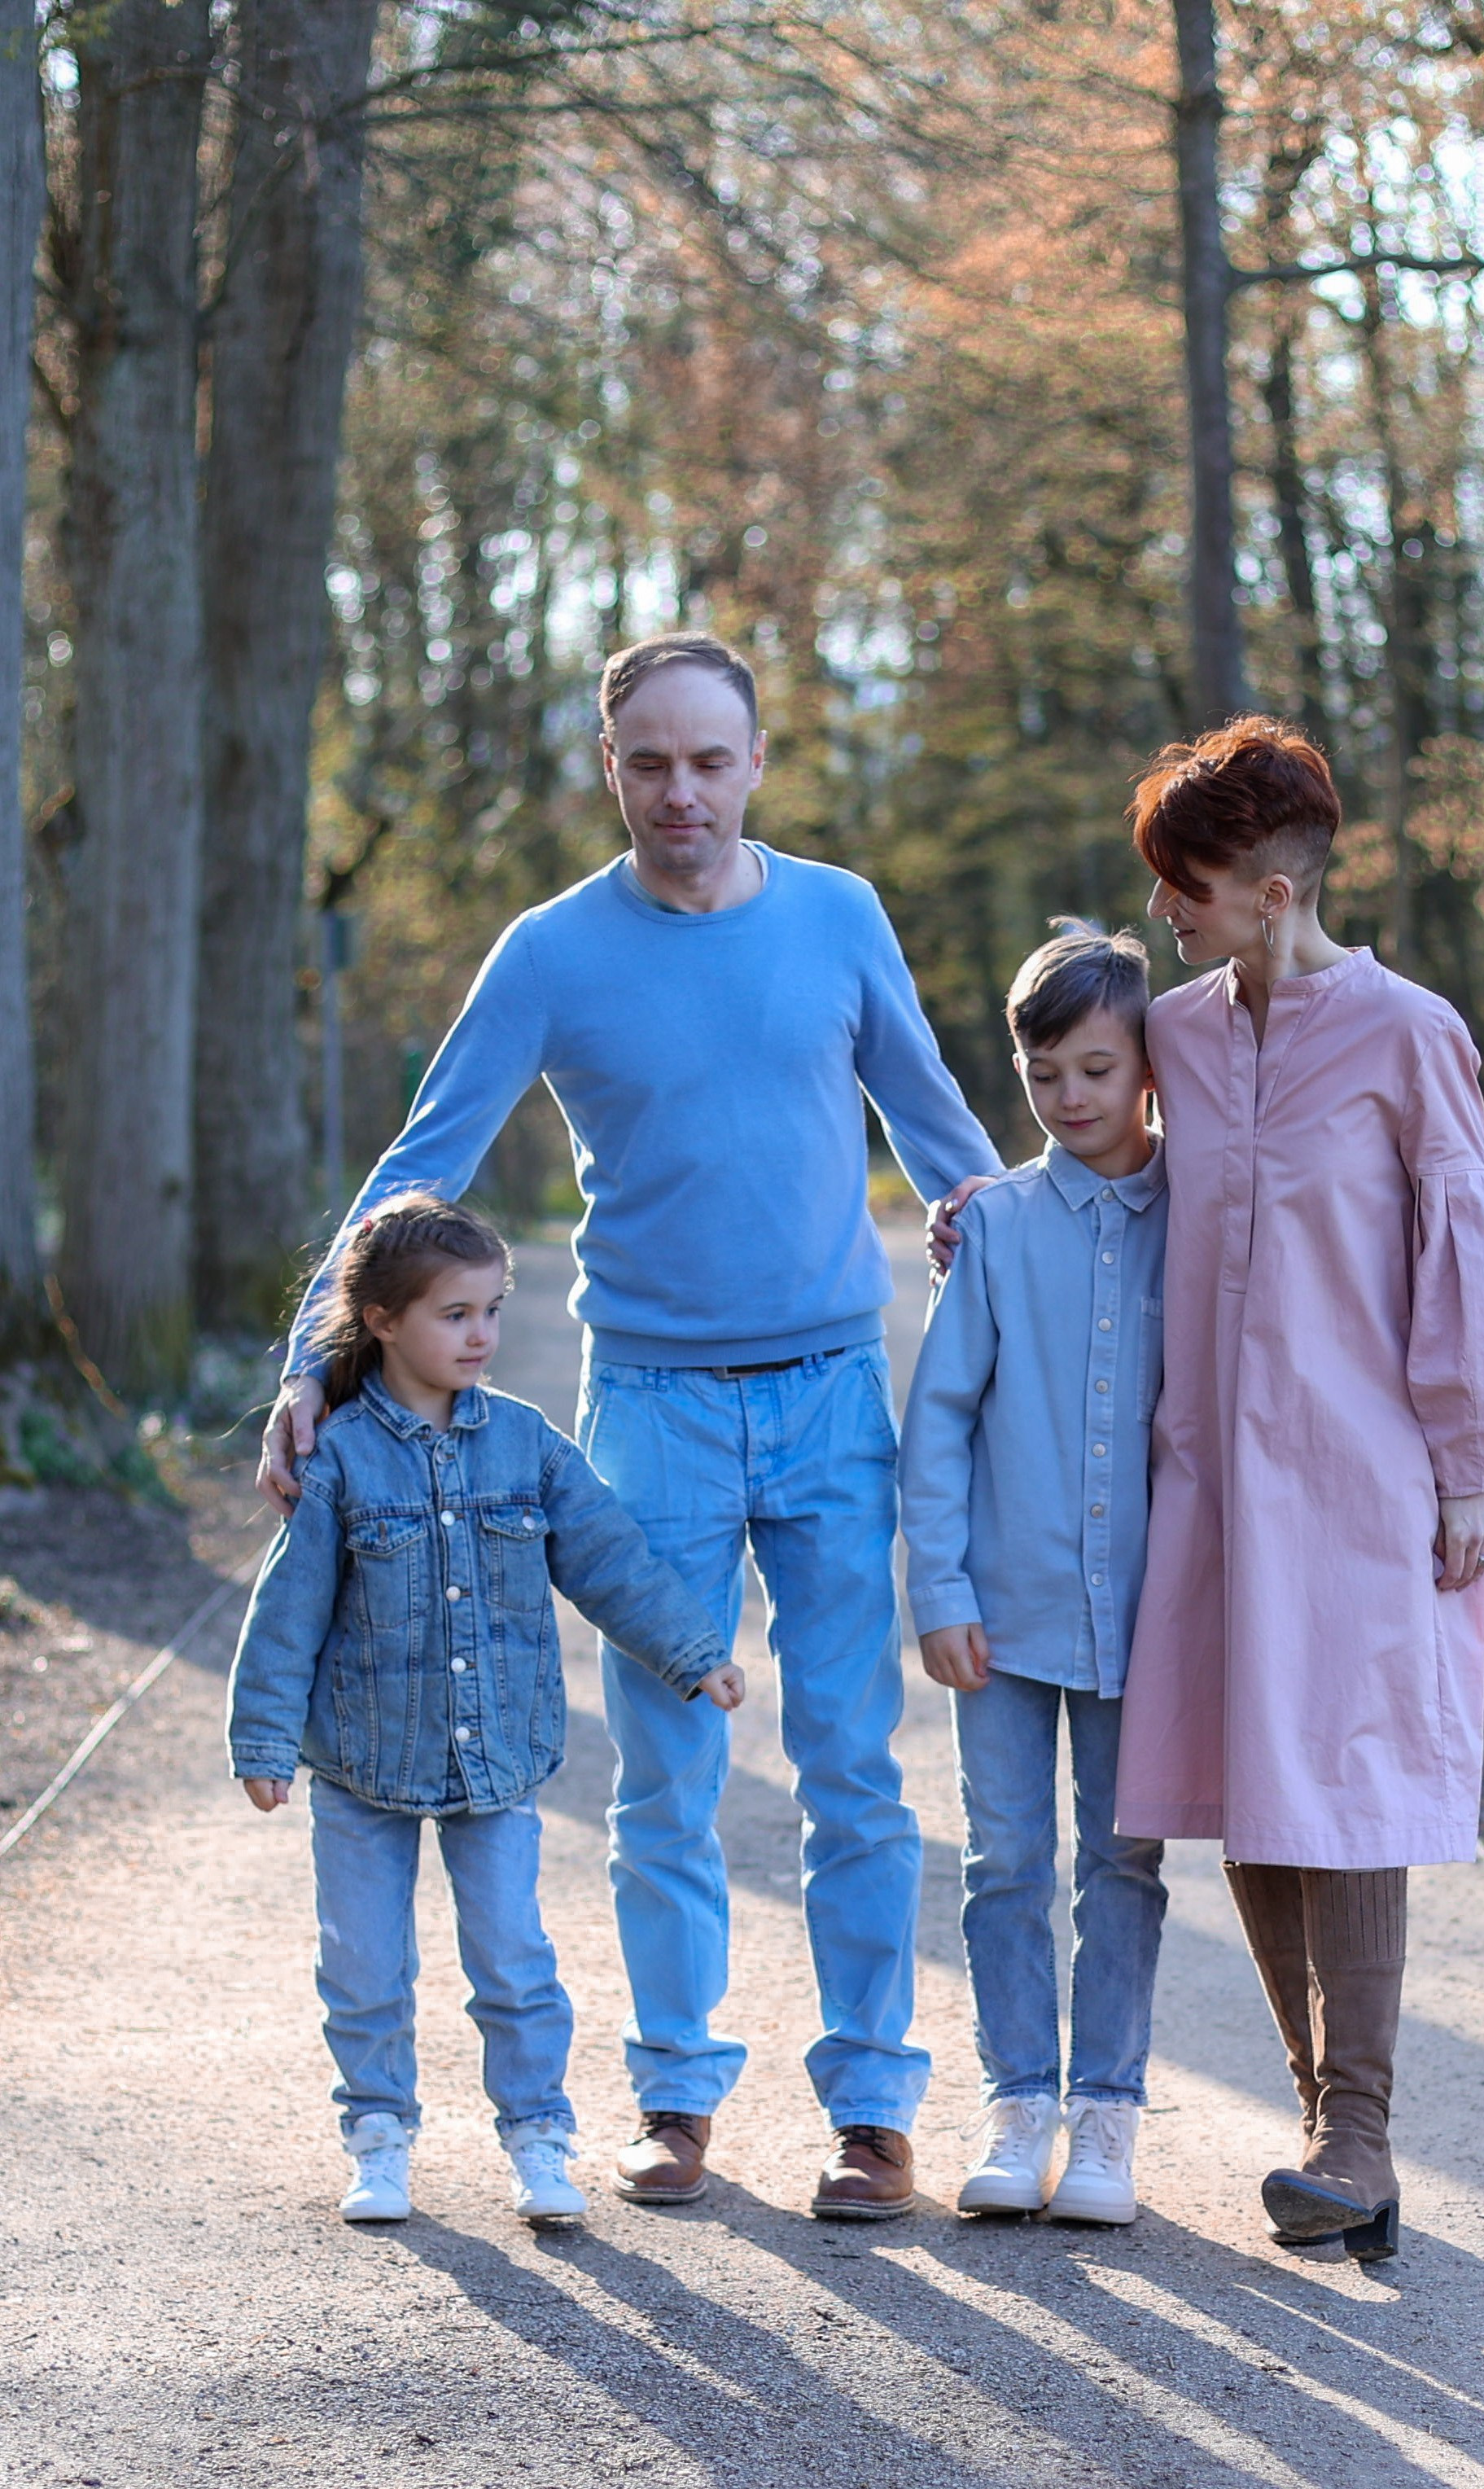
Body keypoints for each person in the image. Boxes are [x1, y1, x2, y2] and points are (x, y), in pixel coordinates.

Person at [257, 632, 1002, 2220]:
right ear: (611, 768)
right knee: (665, 1776)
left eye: (708, 760)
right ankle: (675, 2095)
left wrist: (1046, 1314)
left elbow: (949, 1141)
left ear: (753, 764)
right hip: (647, 1413)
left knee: (850, 1763)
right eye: (648, 761)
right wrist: (309, 1371)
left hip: (826, 1397)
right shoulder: (547, 953)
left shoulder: (838, 916)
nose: (682, 791)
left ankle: (871, 2108)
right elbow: (420, 1163)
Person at [1116, 717, 1484, 2263]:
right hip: (1209, 1482)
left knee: (1342, 1789)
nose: (1166, 908)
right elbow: (1109, 1179)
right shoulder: (1176, 1031)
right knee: (1253, 1787)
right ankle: (1323, 2128)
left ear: (1271, 889)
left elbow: (1463, 1260)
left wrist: (1468, 1463)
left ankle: (1355, 2127)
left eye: (1187, 883)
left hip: (1365, 1478)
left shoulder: (1409, 1033)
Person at [229, 1194, 744, 2228]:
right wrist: (263, 1736)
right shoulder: (337, 1460)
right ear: (381, 1319)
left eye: (491, 1311)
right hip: (362, 1762)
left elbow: (608, 1558)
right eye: (455, 1314)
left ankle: (538, 2137)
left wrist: (692, 1651)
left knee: (512, 1959)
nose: (481, 1335)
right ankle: (378, 2137)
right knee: (364, 1964)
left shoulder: (527, 1446)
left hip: (496, 1760)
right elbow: (287, 1609)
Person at [900, 923, 1168, 2225]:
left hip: (1149, 1616)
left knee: (1119, 1863)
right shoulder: (995, 1226)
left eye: (1096, 1071)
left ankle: (1107, 2119)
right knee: (1003, 1858)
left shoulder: (1201, 1219)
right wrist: (938, 1589)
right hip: (1001, 1615)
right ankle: (1018, 2102)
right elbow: (938, 1415)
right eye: (1043, 1071)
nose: (1069, 1099)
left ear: (1146, 1071)